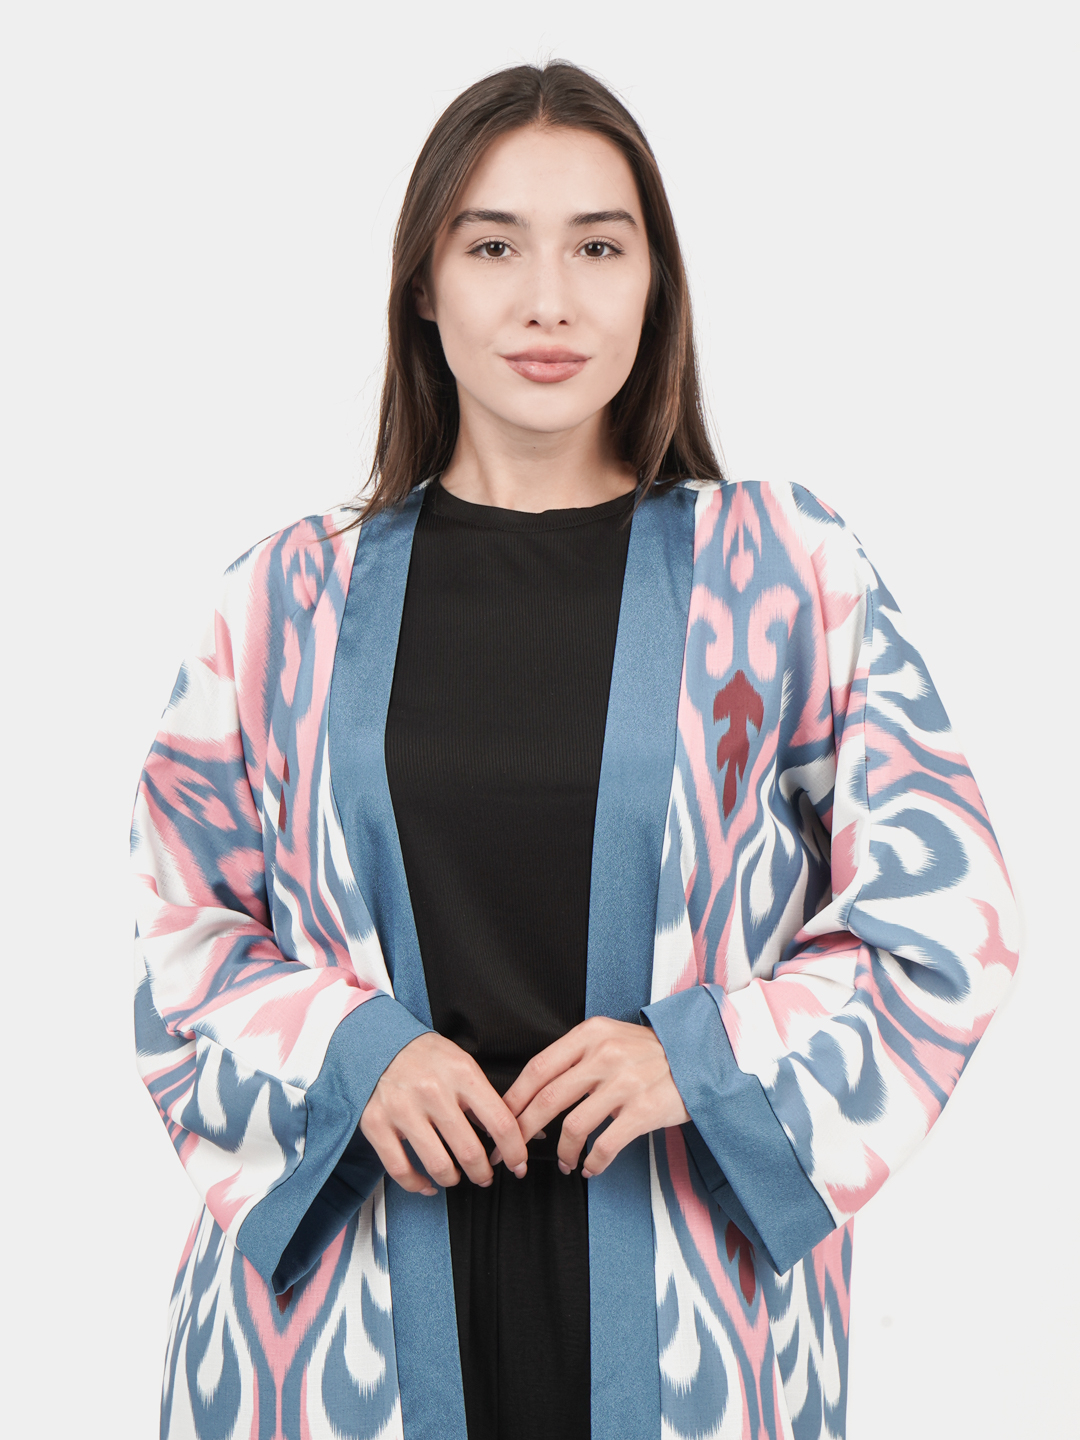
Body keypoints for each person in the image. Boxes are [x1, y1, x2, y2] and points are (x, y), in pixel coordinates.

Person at [131, 60, 1018, 1440]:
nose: (548, 300)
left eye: (599, 247)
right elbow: (181, 933)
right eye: (493, 246)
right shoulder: (283, 601)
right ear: (424, 286)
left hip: (688, 1305)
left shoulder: (786, 575)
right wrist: (355, 1052)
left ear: (655, 281)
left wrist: (702, 1057)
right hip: (340, 1329)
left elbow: (946, 920)